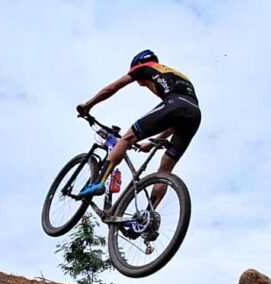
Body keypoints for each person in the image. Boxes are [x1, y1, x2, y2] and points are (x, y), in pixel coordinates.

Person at [76, 49, 201, 210]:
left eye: (139, 82)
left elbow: (112, 88)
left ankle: (98, 182)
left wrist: (88, 105)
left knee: (126, 139)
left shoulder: (144, 67)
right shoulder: (178, 76)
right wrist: (152, 142)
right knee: (165, 170)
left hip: (174, 104)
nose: (141, 84)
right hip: (194, 114)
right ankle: (148, 219)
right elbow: (178, 117)